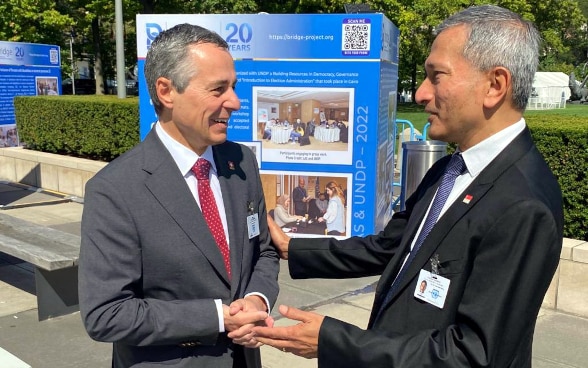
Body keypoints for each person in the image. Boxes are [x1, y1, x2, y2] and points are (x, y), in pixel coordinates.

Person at [253, 5, 563, 368]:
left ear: (494, 86)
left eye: (437, 76)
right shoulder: (450, 170)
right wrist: (293, 247)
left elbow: (473, 355)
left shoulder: (522, 206)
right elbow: (391, 247)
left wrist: (333, 341)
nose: (419, 94)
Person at [78, 23, 279, 368]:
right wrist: (217, 317)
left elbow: (264, 250)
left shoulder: (241, 161)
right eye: (218, 89)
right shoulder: (115, 189)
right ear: (166, 91)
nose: (235, 101)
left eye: (233, 87)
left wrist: (257, 300)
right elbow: (106, 314)